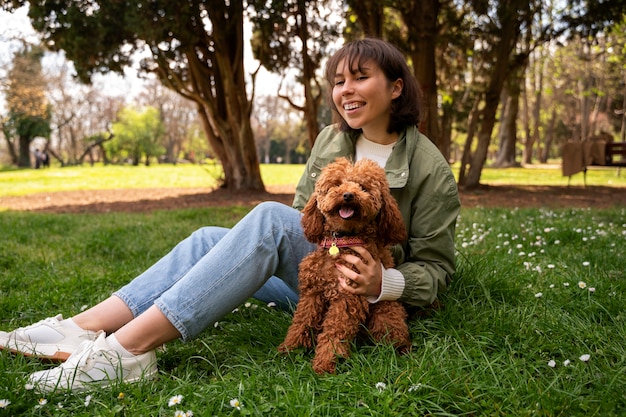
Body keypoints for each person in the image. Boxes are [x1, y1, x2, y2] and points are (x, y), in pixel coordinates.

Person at [0, 38, 460, 392]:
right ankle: (79, 329)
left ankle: (127, 352)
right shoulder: (330, 141)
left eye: (360, 77)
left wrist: (385, 283)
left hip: (367, 293)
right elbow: (305, 222)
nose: (346, 91)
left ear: (396, 87)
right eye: (339, 81)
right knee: (205, 237)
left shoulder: (428, 166)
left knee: (267, 219)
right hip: (315, 276)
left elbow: (437, 267)